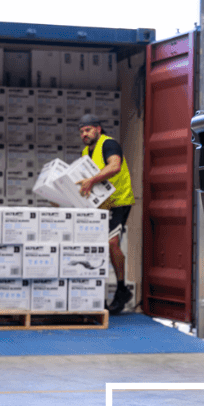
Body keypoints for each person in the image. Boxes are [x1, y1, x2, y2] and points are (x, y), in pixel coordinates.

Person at [76, 113, 135, 314]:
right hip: (100, 205)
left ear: (98, 129)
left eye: (88, 129)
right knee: (95, 246)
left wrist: (91, 181)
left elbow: (115, 166)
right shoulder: (85, 152)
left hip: (118, 201)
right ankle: (95, 293)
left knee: (111, 243)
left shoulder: (108, 144)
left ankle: (121, 289)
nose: (85, 134)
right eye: (82, 131)